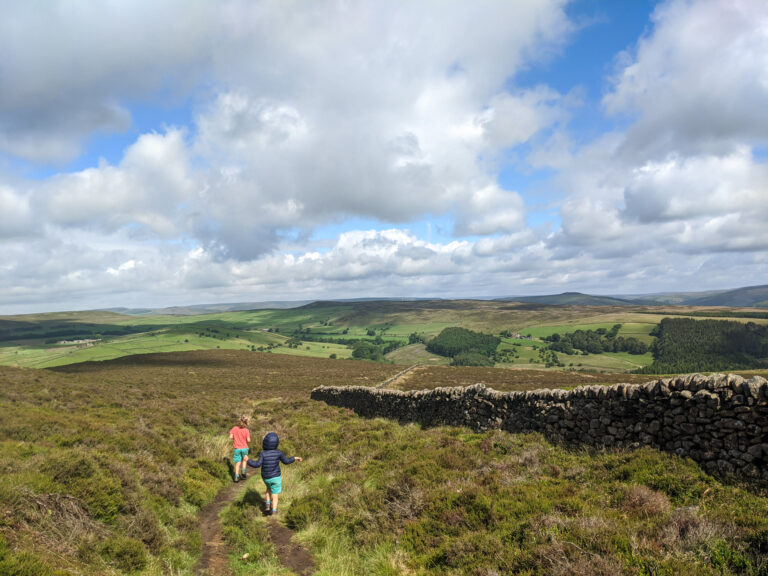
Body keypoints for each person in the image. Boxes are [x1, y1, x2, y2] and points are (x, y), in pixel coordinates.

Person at [245, 431, 302, 515]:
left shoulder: (263, 453)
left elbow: (257, 464)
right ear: (276, 443)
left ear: (265, 443)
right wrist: (295, 458)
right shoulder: (279, 453)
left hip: (266, 477)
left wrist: (248, 461)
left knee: (268, 489)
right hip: (276, 477)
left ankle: (267, 506)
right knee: (275, 494)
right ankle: (274, 511)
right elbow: (286, 461)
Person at [228, 415, 251, 482]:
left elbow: (230, 437)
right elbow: (248, 440)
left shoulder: (234, 428)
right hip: (244, 448)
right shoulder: (246, 430)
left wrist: (235, 438)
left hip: (237, 448)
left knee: (237, 463)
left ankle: (236, 477)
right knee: (244, 460)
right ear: (246, 423)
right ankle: (243, 472)